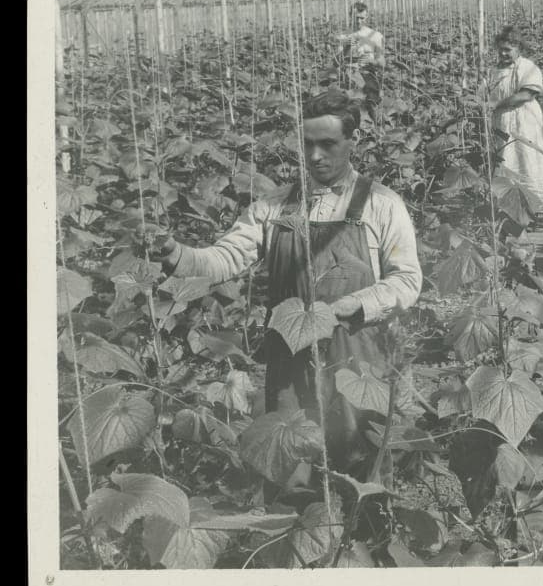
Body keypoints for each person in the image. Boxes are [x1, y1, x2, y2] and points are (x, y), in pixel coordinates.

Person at [148, 89, 422, 487]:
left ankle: (365, 524)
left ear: (354, 140)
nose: (315, 156)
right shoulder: (274, 207)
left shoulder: (382, 205)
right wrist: (176, 254)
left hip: (357, 355)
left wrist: (354, 304)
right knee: (291, 465)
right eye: (307, 144)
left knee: (362, 466)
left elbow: (407, 280)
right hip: (291, 359)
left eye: (328, 144)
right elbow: (225, 258)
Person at [489, 25, 543, 215]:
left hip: (524, 120)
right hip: (502, 122)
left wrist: (495, 104)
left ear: (518, 48)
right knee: (506, 161)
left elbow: (526, 95)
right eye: (500, 49)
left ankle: (540, 206)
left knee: (529, 159)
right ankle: (511, 209)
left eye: (508, 49)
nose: (503, 53)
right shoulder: (494, 71)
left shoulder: (527, 67)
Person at [335, 2, 385, 107]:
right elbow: (336, 62)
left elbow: (382, 62)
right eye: (356, 18)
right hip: (348, 78)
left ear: (367, 16)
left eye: (362, 18)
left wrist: (371, 61)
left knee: (370, 105)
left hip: (367, 76)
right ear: (350, 16)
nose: (358, 21)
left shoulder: (376, 36)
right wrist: (346, 47)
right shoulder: (343, 36)